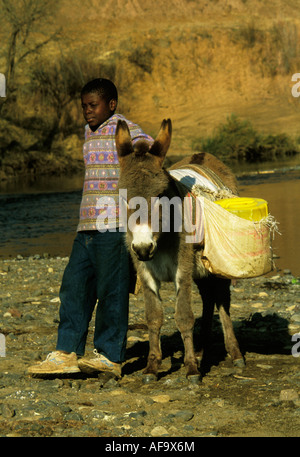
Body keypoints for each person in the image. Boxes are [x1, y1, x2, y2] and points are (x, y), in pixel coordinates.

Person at [27, 78, 153, 378]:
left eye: (93, 105)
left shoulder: (125, 128)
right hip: (86, 224)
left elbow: (148, 148)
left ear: (111, 105)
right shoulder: (88, 131)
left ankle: (110, 355)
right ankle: (66, 352)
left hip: (115, 225)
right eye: (83, 106)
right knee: (74, 287)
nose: (87, 111)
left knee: (112, 291)